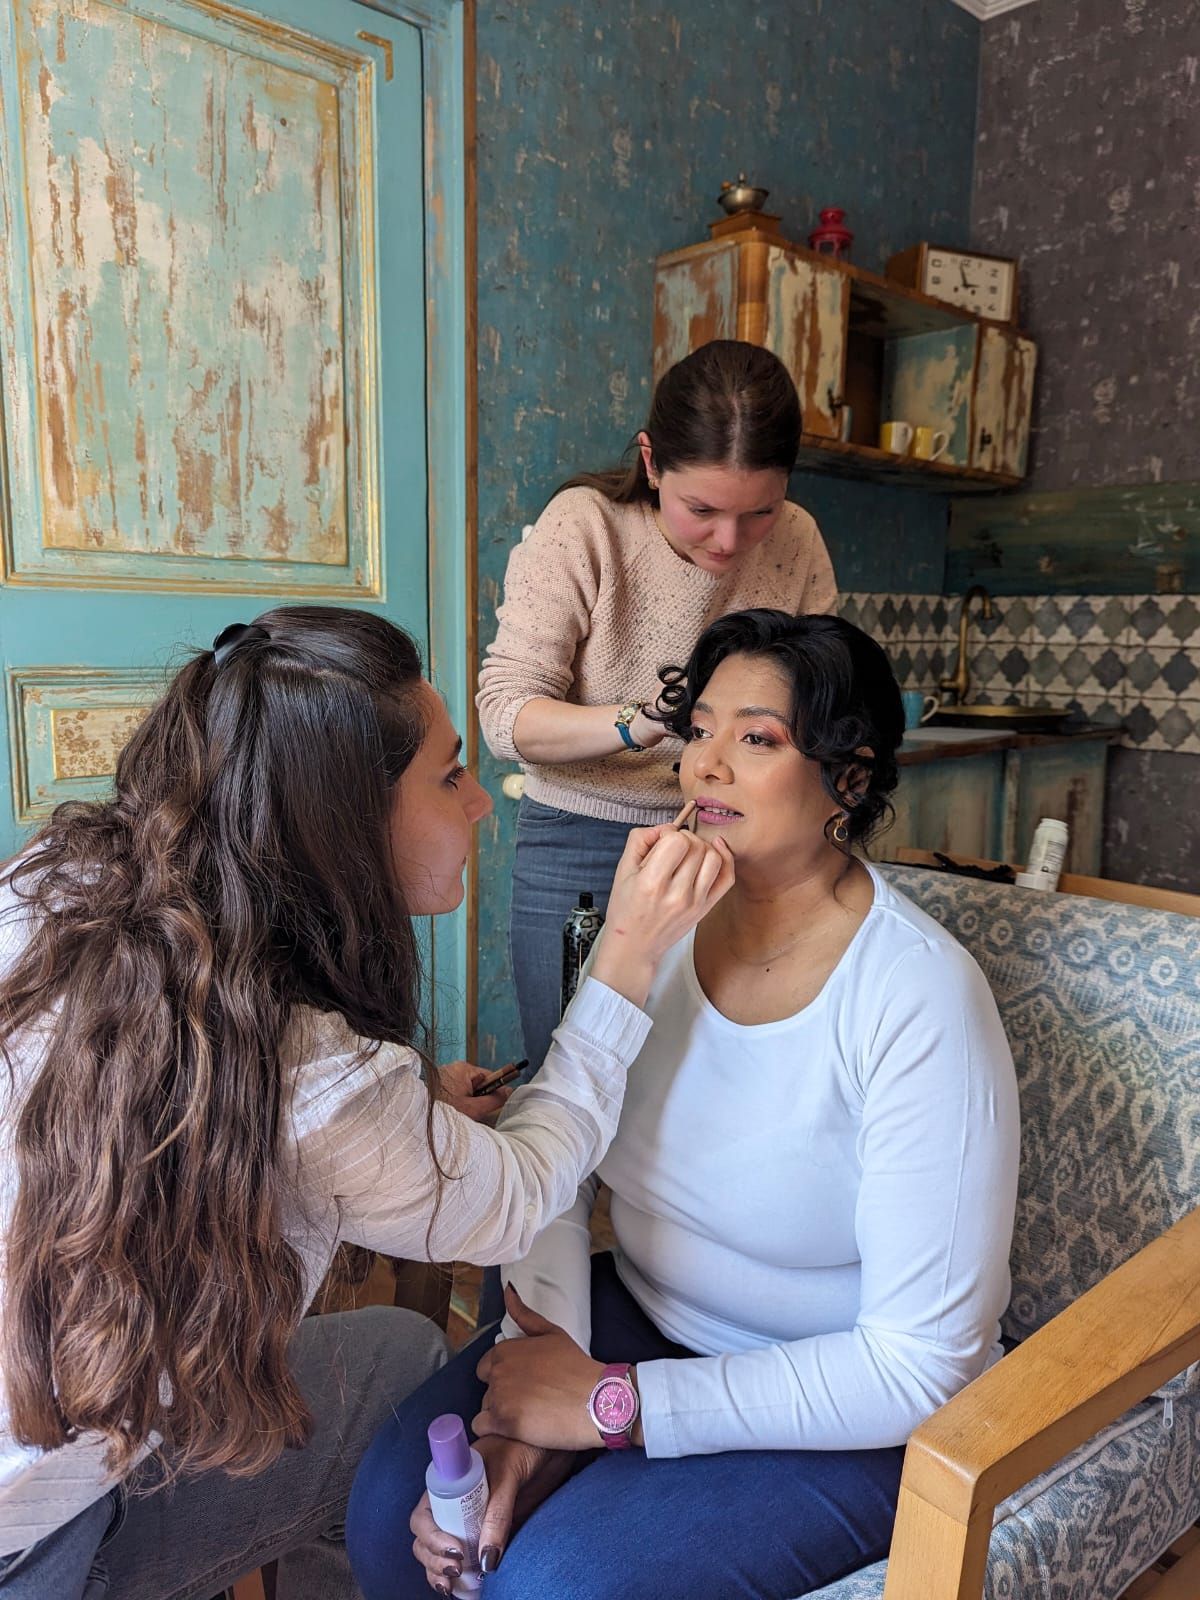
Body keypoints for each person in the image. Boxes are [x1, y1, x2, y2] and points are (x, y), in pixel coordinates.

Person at [0, 605, 733, 1600]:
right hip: (35, 1532)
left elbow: (160, 1099)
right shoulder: (324, 1087)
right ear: (342, 819)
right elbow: (520, 1194)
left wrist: (411, 1108)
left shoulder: (53, 877)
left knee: (395, 1354)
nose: (480, 804)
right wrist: (630, 953)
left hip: (56, 1402)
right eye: (447, 775)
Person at [347, 609, 1020, 1600]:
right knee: (388, 1506)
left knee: (558, 1584)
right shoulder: (649, 927)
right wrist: (538, 1389)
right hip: (642, 1316)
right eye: (700, 729)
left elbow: (921, 1366)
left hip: (846, 1400)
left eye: (756, 737)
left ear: (852, 776)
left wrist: (614, 1406)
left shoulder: (916, 995)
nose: (705, 764)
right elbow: (559, 1165)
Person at [477, 339, 838, 1079]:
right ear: (650, 461)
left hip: (737, 845)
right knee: (575, 1079)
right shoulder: (587, 527)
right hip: (581, 840)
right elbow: (506, 717)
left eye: (759, 512)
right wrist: (640, 721)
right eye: (701, 509)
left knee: (708, 1086)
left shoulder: (798, 541)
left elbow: (825, 701)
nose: (730, 541)